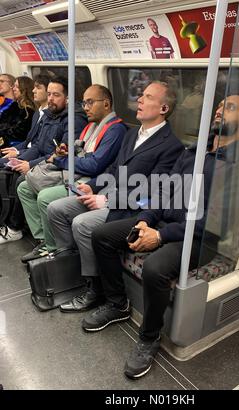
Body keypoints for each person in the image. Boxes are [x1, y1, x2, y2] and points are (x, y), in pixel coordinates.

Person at [81, 94, 239, 379]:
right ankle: (118, 303)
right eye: (218, 105)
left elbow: (213, 224)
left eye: (229, 108)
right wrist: (144, 220)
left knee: (156, 268)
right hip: (165, 223)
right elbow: (164, 192)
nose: (219, 111)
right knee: (102, 234)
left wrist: (160, 236)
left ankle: (149, 337)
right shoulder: (194, 150)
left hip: (200, 239)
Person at [47, 81, 184, 313]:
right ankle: (75, 271)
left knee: (82, 224)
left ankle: (96, 288)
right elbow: (112, 169)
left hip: (132, 207)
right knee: (56, 209)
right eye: (141, 95)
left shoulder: (171, 146)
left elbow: (152, 191)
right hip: (108, 193)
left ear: (163, 109)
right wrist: (92, 186)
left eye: (148, 97)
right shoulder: (132, 135)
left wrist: (108, 201)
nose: (139, 100)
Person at [18, 84, 128, 262]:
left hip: (90, 179)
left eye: (90, 103)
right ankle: (42, 238)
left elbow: (94, 165)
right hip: (75, 172)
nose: (85, 108)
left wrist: (61, 160)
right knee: (24, 187)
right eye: (84, 103)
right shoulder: (90, 127)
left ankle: (54, 248)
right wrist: (65, 152)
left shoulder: (115, 130)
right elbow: (80, 150)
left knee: (45, 197)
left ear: (106, 104)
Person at [0, 76, 87, 244]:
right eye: (49, 94)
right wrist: (23, 158)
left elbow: (62, 153)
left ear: (68, 98)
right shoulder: (49, 115)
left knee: (21, 181)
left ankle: (16, 228)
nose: (51, 99)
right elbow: (39, 145)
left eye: (56, 95)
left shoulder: (73, 120)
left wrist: (30, 165)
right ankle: (40, 237)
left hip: (59, 168)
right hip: (43, 161)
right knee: (17, 175)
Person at [0, 74, 50, 165]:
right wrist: (15, 149)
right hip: (20, 147)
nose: (33, 91)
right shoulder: (37, 113)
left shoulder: (29, 111)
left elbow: (36, 144)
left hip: (26, 151)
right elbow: (28, 140)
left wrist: (18, 153)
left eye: (17, 87)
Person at [0, 75, 35, 148]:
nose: (13, 89)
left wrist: (3, 133)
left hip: (15, 144)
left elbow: (20, 132)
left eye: (16, 86)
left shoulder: (29, 111)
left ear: (24, 89)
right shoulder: (14, 106)